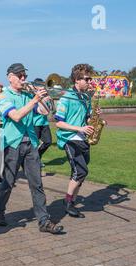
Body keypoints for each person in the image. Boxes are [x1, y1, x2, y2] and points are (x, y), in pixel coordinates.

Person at [0, 63, 64, 234]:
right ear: (10, 77)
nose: (23, 79)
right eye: (20, 75)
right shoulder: (4, 96)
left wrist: (46, 97)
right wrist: (34, 99)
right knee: (8, 182)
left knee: (37, 183)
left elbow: (45, 112)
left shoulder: (27, 94)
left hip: (31, 143)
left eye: (24, 75)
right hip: (13, 144)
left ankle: (44, 221)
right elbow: (16, 116)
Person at [55, 63, 97, 219]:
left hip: (82, 139)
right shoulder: (66, 97)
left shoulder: (86, 97)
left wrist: (93, 117)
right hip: (69, 138)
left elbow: (86, 117)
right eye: (86, 79)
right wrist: (79, 129)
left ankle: (73, 200)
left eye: (89, 78)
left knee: (80, 173)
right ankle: (67, 202)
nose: (89, 81)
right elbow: (58, 122)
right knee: (81, 171)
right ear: (76, 80)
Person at [32, 78, 53, 176]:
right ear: (35, 86)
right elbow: (36, 110)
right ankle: (35, 164)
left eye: (42, 85)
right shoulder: (33, 96)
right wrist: (41, 100)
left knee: (48, 142)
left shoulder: (46, 95)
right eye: (40, 85)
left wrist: (50, 100)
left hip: (44, 123)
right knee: (34, 145)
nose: (42, 87)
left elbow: (50, 110)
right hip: (34, 123)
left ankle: (37, 157)